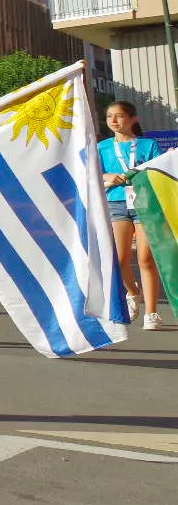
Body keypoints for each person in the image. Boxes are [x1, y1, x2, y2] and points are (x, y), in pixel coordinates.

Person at [100, 99, 168, 332]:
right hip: (116, 203)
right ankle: (132, 293)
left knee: (145, 259)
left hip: (144, 203)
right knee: (120, 260)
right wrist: (108, 176)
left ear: (132, 119)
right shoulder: (102, 147)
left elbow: (159, 172)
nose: (114, 121)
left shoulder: (148, 145)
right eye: (110, 117)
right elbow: (90, 174)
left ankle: (152, 312)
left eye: (119, 116)